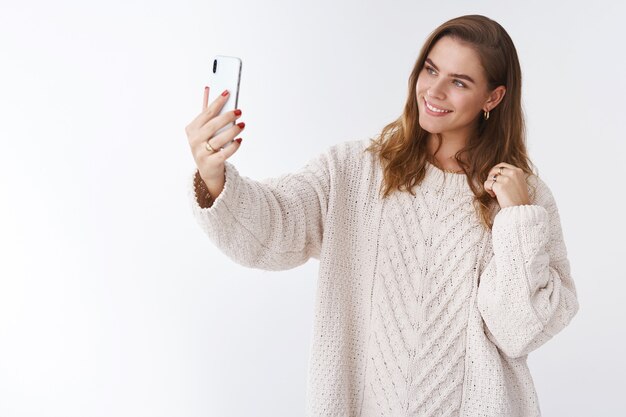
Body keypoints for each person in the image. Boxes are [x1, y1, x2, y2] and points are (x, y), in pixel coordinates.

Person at [184, 14, 579, 417]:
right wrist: (213, 175)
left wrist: (516, 219)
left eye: (459, 82)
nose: (435, 91)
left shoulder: (523, 200)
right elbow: (270, 232)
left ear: (493, 98)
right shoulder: (353, 170)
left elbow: (517, 330)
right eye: (431, 69)